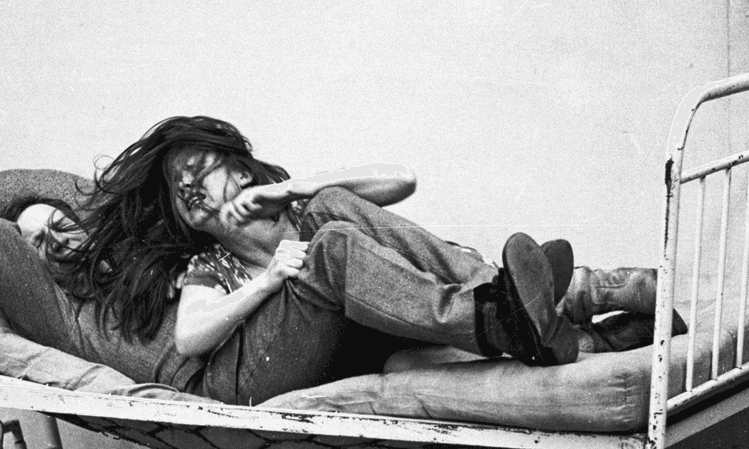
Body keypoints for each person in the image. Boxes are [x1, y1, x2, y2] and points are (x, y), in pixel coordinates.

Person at [47, 116, 584, 405]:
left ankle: (509, 301)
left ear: (240, 171)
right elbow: (189, 338)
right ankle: (497, 312)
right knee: (331, 245)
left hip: (356, 346)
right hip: (256, 378)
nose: (187, 184)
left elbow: (403, 179)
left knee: (329, 208)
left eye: (198, 167)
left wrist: (295, 187)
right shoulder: (212, 263)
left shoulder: (305, 210)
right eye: (177, 184)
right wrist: (267, 281)